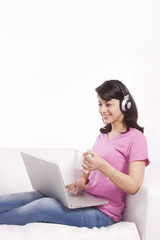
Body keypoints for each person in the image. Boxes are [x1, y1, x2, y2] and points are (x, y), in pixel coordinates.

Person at [0, 80, 149, 228]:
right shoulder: (103, 135)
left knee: (45, 206)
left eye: (108, 104)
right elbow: (95, 171)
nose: (102, 109)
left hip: (104, 214)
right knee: (38, 194)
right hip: (88, 199)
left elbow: (133, 186)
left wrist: (103, 165)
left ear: (125, 104)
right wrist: (84, 178)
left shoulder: (136, 138)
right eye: (100, 104)